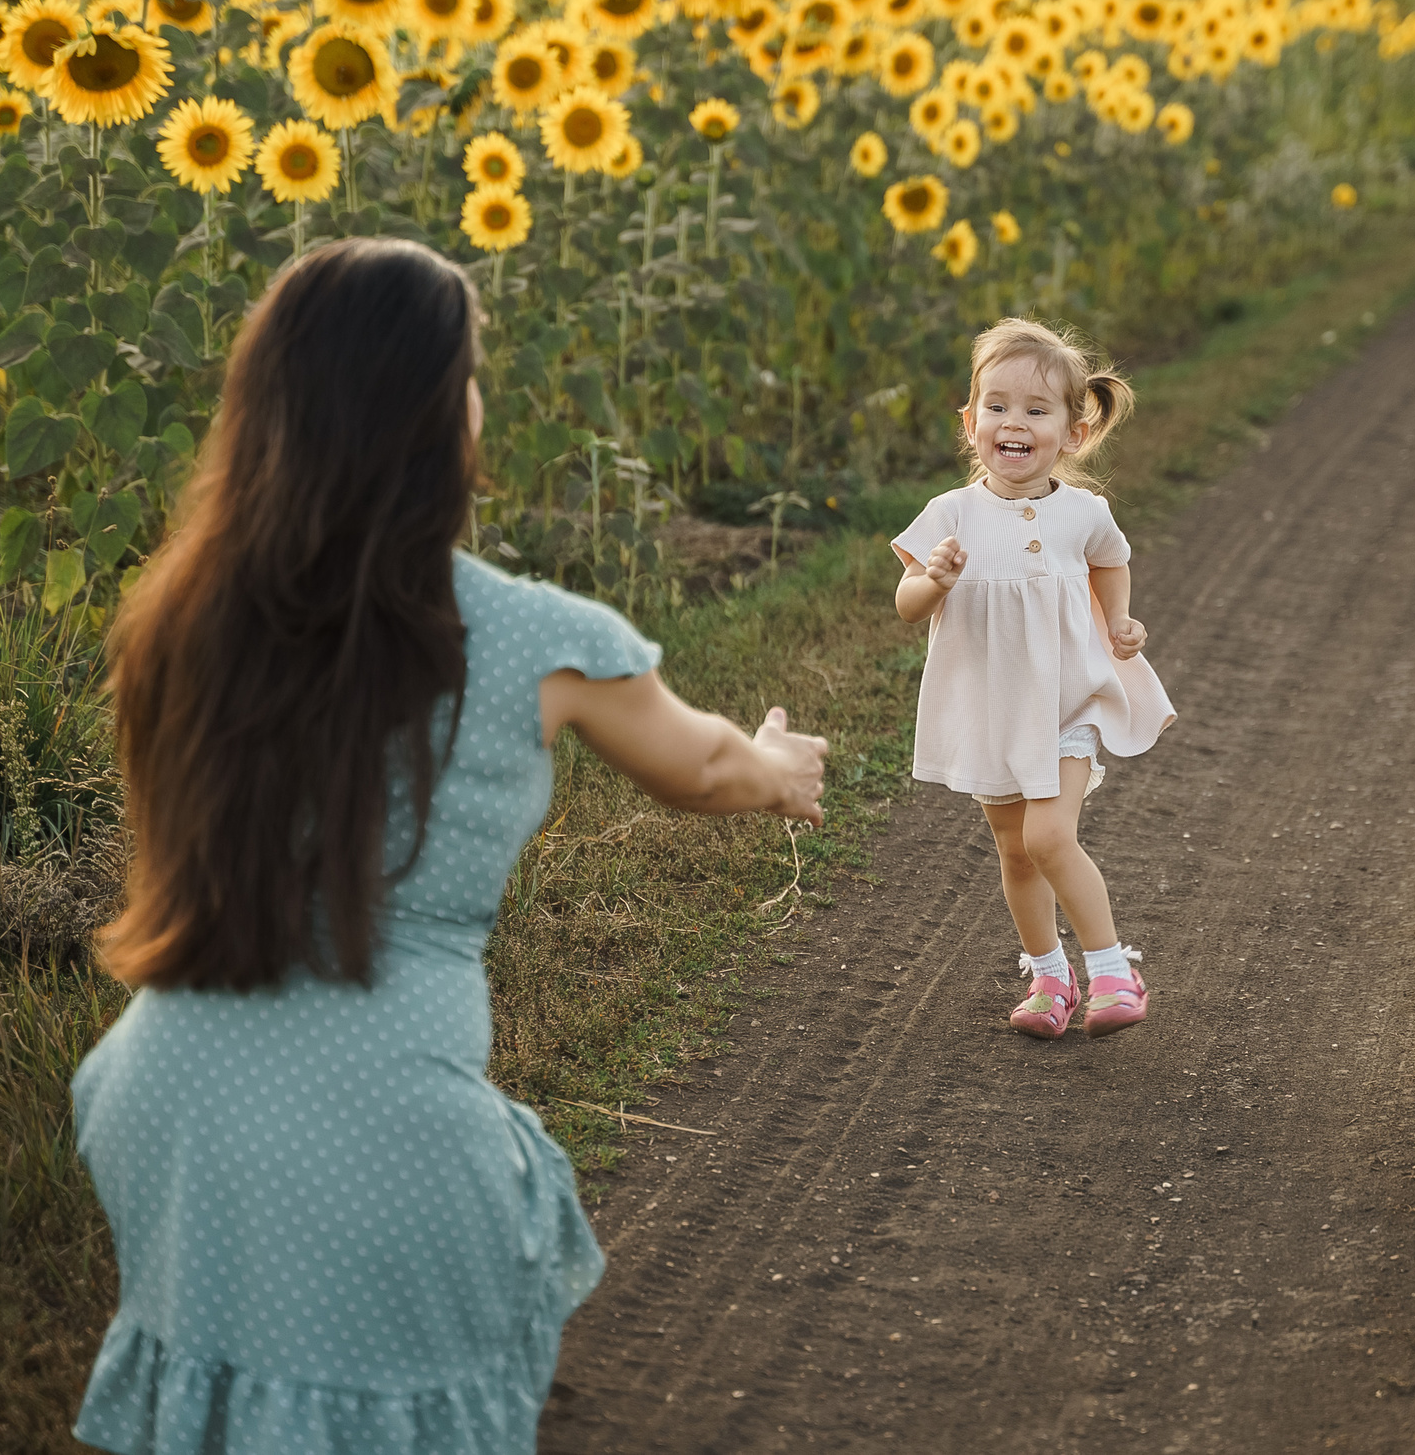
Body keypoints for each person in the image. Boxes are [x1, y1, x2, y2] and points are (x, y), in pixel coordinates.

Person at [68, 238, 827, 1454]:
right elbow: (707, 766)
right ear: (440, 418)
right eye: (470, 375)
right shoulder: (534, 635)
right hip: (383, 1129)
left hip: (161, 1096)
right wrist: (784, 770)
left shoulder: (178, 618)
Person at [890, 317, 1175, 1040]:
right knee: (1015, 850)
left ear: (1073, 433)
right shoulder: (951, 515)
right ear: (970, 420)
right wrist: (934, 579)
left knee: (1050, 836)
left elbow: (1113, 561)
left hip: (1065, 701)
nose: (1013, 421)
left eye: (1036, 409)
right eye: (998, 405)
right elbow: (905, 605)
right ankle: (1051, 976)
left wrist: (1119, 619)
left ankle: (1112, 969)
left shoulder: (1084, 512)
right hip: (991, 709)